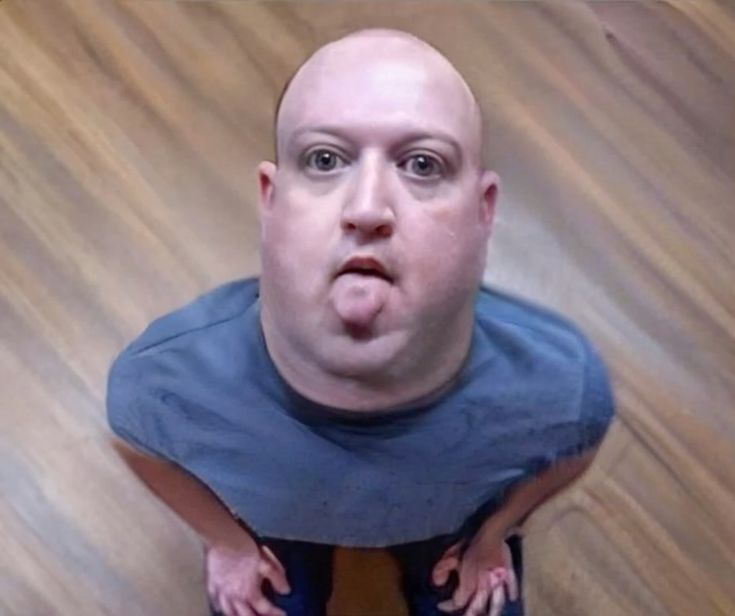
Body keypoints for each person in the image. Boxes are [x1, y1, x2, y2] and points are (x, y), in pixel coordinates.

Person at [106, 28, 616, 616]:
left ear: (484, 212)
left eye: (422, 164)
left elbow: (575, 449)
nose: (368, 208)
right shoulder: (163, 382)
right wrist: (228, 544)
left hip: (451, 533)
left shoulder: (560, 383)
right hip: (282, 532)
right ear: (271, 200)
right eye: (324, 160)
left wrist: (492, 536)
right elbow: (136, 445)